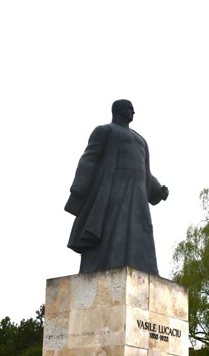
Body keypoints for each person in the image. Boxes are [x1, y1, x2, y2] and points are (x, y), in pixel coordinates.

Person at [65, 100, 168, 276]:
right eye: (130, 108)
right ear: (119, 110)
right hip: (112, 189)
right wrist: (80, 185)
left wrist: (157, 189)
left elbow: (145, 172)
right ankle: (103, 267)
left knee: (138, 233)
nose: (133, 112)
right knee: (110, 231)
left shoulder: (141, 140)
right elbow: (90, 157)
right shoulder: (105, 131)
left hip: (138, 195)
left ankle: (142, 269)